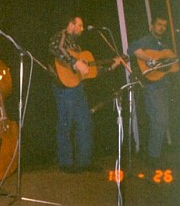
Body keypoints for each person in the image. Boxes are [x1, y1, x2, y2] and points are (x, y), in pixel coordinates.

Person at [49, 15, 121, 173]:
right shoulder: (62, 36)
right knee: (65, 124)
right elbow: (55, 48)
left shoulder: (77, 47)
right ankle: (65, 163)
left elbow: (89, 71)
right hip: (63, 88)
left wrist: (110, 67)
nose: (82, 29)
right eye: (80, 25)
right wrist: (75, 63)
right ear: (70, 24)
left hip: (77, 87)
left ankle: (84, 162)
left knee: (85, 123)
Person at [128, 17, 173, 167]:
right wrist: (149, 59)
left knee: (161, 120)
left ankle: (154, 155)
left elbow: (172, 65)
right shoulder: (147, 40)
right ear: (151, 26)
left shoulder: (164, 46)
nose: (162, 27)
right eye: (159, 24)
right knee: (159, 120)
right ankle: (153, 156)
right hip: (152, 86)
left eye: (164, 25)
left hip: (163, 85)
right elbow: (132, 48)